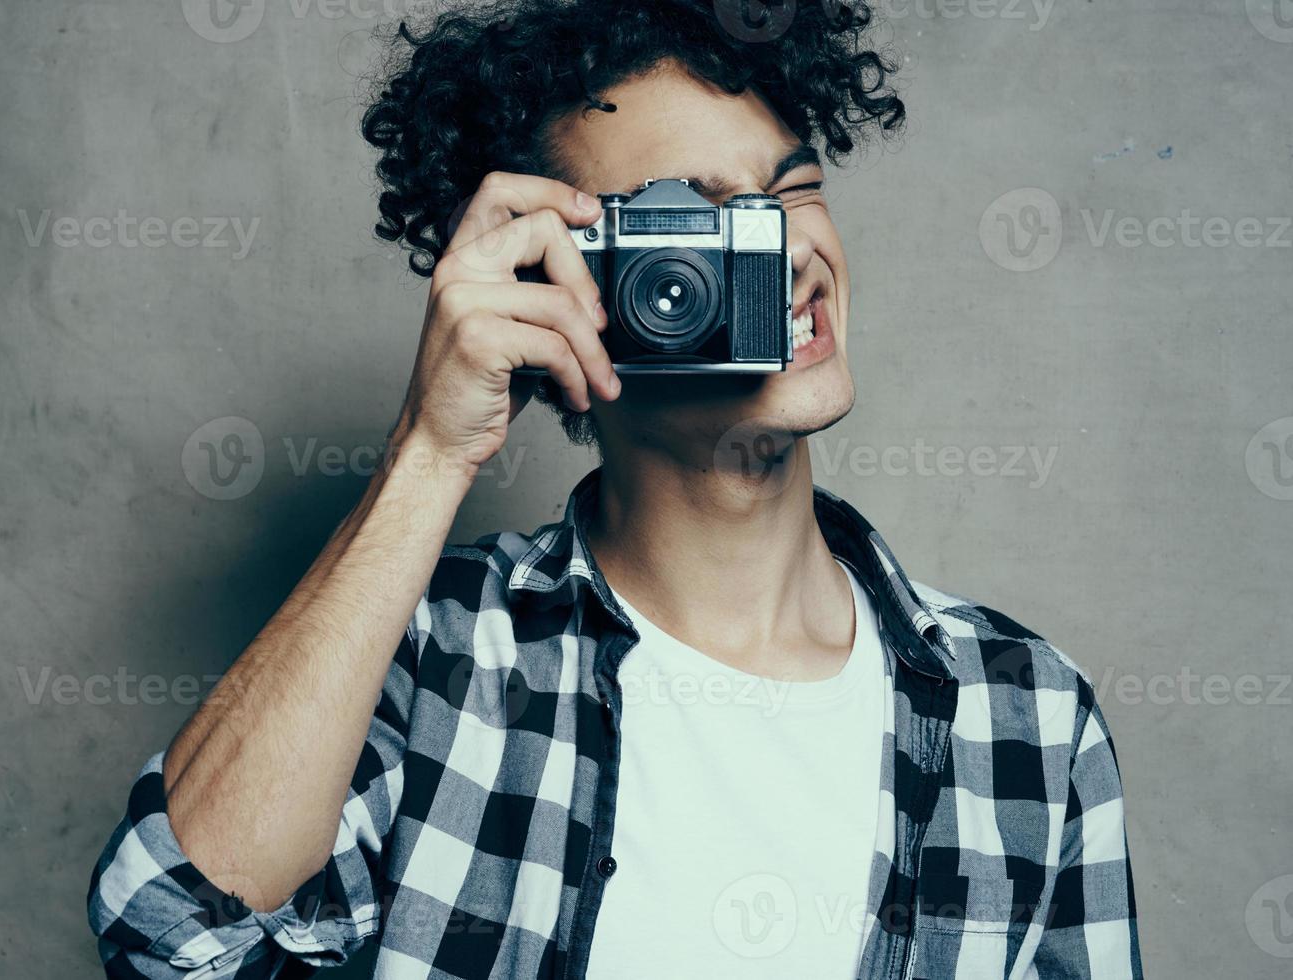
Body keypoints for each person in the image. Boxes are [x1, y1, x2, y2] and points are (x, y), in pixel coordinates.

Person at [88, 2, 1141, 977]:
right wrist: (431, 450)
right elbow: (169, 932)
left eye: (795, 192)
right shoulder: (432, 652)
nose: (794, 256)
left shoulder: (1027, 719)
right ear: (560, 290)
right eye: (703, 219)